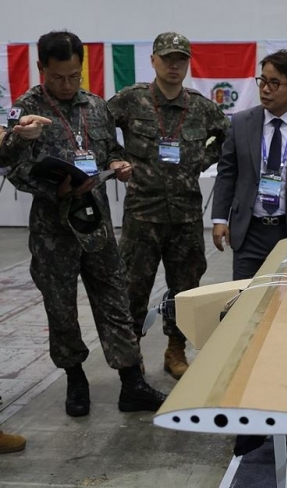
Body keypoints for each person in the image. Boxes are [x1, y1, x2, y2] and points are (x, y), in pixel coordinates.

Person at [0, 30, 166, 418]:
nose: (66, 84)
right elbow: (11, 167)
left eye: (74, 75)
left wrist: (117, 166)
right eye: (58, 77)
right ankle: (75, 379)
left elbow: (111, 149)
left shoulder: (95, 105)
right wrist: (49, 182)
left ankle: (131, 381)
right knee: (60, 308)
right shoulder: (25, 110)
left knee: (114, 299)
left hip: (96, 223)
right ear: (42, 68)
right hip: (53, 229)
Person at [108, 32, 229, 380]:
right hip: (142, 216)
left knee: (185, 289)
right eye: (167, 58)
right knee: (133, 287)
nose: (174, 65)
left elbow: (229, 139)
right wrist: (116, 159)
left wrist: (202, 160)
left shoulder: (201, 106)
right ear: (153, 60)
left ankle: (175, 350)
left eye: (181, 59)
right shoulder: (131, 101)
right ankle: (132, 355)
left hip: (186, 217)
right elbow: (98, 130)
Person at [211, 49, 287, 281]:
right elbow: (227, 173)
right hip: (249, 232)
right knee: (243, 302)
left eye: (275, 83)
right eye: (263, 81)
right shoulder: (241, 124)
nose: (266, 89)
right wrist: (219, 219)